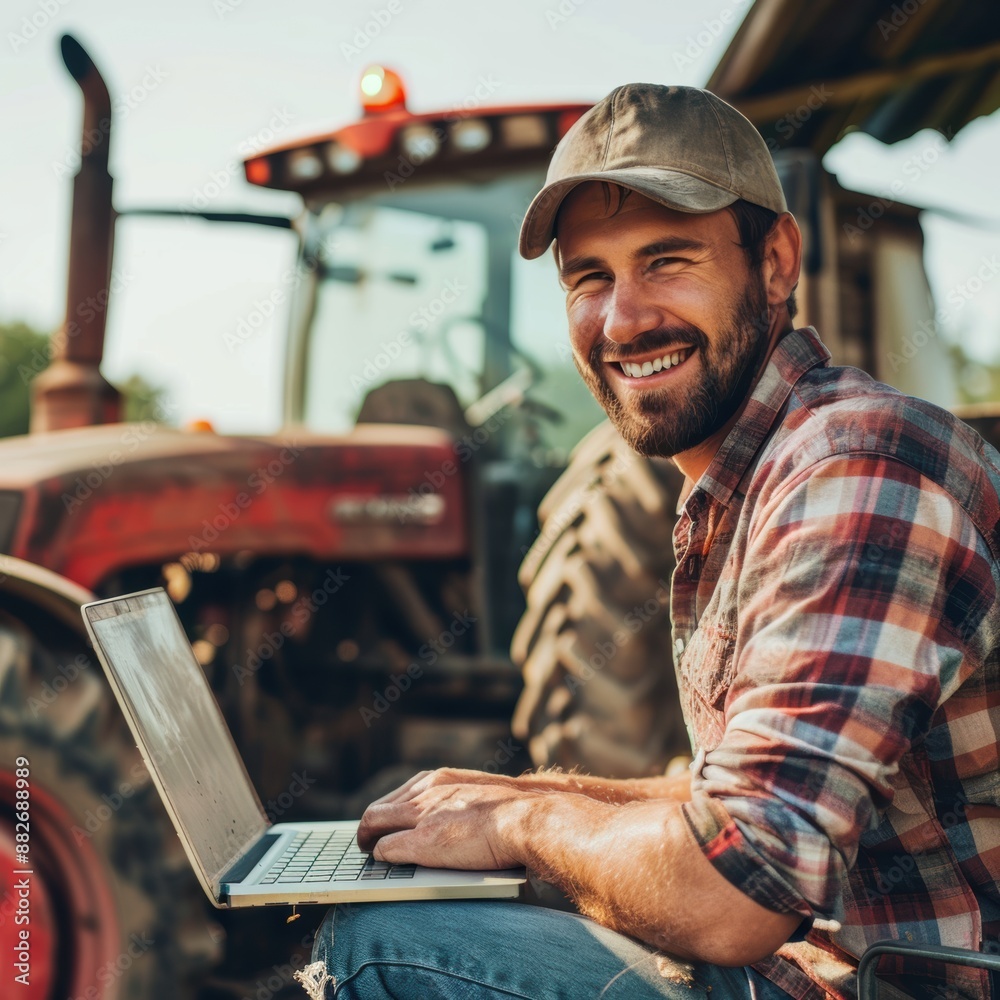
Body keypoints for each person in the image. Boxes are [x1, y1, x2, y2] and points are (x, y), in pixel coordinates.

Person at [296, 84, 1000, 1000]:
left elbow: (740, 891)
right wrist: (530, 798)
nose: (623, 320)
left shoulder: (859, 469)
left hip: (903, 983)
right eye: (590, 277)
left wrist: (522, 831)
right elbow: (741, 800)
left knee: (387, 945)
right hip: (829, 964)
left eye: (667, 260)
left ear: (778, 261)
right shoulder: (742, 486)